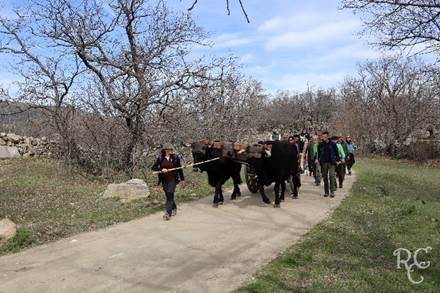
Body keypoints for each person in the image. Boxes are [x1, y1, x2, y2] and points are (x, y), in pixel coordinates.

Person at [151, 143, 185, 221]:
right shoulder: (160, 158)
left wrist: (182, 179)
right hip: (164, 180)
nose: (171, 151)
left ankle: (168, 213)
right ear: (165, 150)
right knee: (168, 196)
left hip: (173, 179)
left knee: (170, 193)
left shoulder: (175, 158)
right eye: (169, 149)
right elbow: (153, 167)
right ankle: (174, 207)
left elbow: (180, 169)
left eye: (171, 149)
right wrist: (161, 170)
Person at [317, 131, 340, 197]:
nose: (323, 138)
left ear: (327, 137)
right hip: (323, 162)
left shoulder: (333, 144)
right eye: (322, 136)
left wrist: (338, 160)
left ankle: (332, 191)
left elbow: (336, 152)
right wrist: (318, 159)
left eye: (324, 137)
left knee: (332, 176)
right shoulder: (320, 144)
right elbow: (318, 153)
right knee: (325, 177)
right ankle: (326, 192)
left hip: (331, 162)